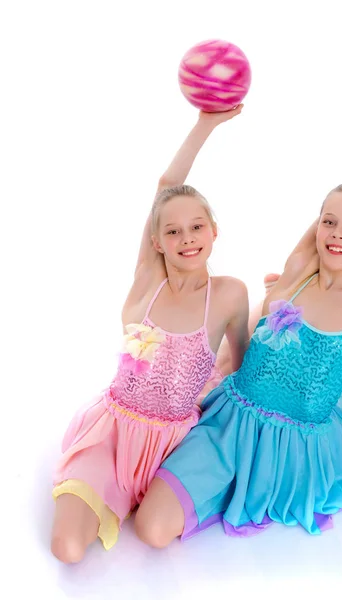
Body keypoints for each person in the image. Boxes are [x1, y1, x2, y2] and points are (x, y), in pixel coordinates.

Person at [134, 131, 342, 546]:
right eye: (329, 222)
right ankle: (263, 319)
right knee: (151, 528)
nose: (337, 233)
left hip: (299, 440)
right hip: (232, 421)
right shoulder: (299, 268)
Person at [50, 108, 249, 562]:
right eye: (173, 231)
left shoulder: (228, 294)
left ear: (214, 231)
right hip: (115, 434)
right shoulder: (147, 280)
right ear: (157, 240)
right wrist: (206, 124)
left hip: (178, 441)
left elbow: (243, 363)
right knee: (67, 549)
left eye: (198, 227)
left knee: (153, 533)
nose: (187, 238)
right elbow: (165, 187)